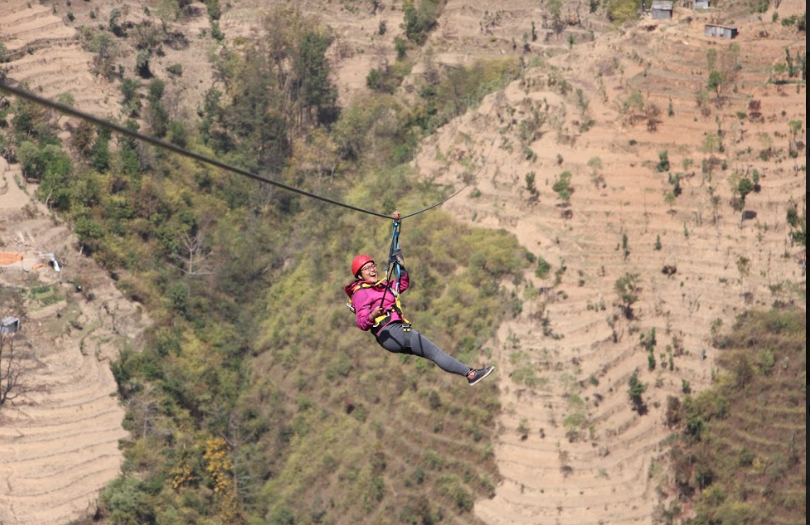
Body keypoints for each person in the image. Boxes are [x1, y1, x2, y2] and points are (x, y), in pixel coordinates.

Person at [344, 253, 495, 386]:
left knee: (433, 353)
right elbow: (362, 323)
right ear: (359, 276)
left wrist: (400, 267)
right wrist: (373, 315)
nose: (372, 270)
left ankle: (470, 374)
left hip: (396, 331)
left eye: (373, 266)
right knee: (435, 352)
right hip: (389, 331)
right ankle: (471, 374)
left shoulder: (383, 286)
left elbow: (402, 284)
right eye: (366, 269)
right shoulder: (361, 293)